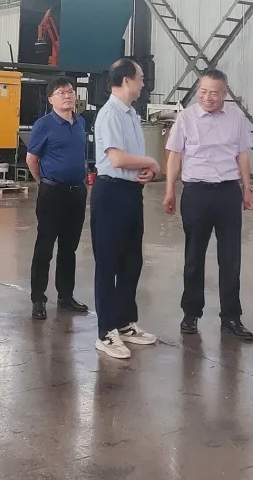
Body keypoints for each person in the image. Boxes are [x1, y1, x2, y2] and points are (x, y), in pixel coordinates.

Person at [163, 69, 253, 341]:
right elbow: (174, 156)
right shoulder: (186, 118)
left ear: (224, 94)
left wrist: (247, 188)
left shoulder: (236, 119)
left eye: (214, 93)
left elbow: (242, 155)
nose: (207, 97)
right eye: (203, 91)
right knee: (194, 256)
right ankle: (191, 313)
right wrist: (170, 191)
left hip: (228, 192)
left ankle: (231, 317)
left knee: (231, 257)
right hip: (196, 192)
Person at [89, 58, 160, 360]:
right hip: (111, 193)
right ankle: (106, 332)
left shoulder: (131, 114)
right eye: (140, 78)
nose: (143, 84)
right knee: (108, 263)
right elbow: (117, 159)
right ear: (127, 80)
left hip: (131, 192)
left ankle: (125, 322)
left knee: (132, 261)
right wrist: (151, 162)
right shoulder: (110, 114)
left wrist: (147, 171)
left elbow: (132, 158)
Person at [26, 77, 90, 320]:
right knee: (45, 246)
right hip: (52, 193)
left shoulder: (80, 122)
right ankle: (38, 299)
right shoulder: (43, 125)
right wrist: (43, 182)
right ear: (51, 99)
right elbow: (32, 159)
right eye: (61, 92)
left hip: (77, 192)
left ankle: (65, 296)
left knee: (69, 247)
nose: (68, 96)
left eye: (70, 91)